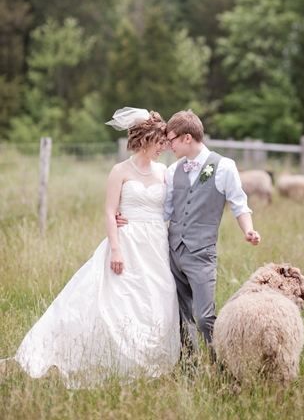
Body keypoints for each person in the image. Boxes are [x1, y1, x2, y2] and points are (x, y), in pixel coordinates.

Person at [6, 108, 180, 388]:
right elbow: (110, 212)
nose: (164, 148)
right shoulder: (120, 171)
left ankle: (149, 361)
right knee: (120, 300)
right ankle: (108, 359)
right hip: (127, 242)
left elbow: (171, 208)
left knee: (159, 298)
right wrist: (115, 249)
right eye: (160, 142)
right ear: (146, 139)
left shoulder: (164, 172)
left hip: (156, 246)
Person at [117, 109, 261, 355]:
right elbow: (166, 210)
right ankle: (189, 364)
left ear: (186, 138)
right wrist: (132, 219)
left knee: (204, 316)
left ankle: (221, 365)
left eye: (170, 139)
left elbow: (239, 203)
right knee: (182, 316)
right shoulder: (172, 171)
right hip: (172, 251)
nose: (167, 144)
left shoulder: (224, 167)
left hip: (201, 254)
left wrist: (249, 230)